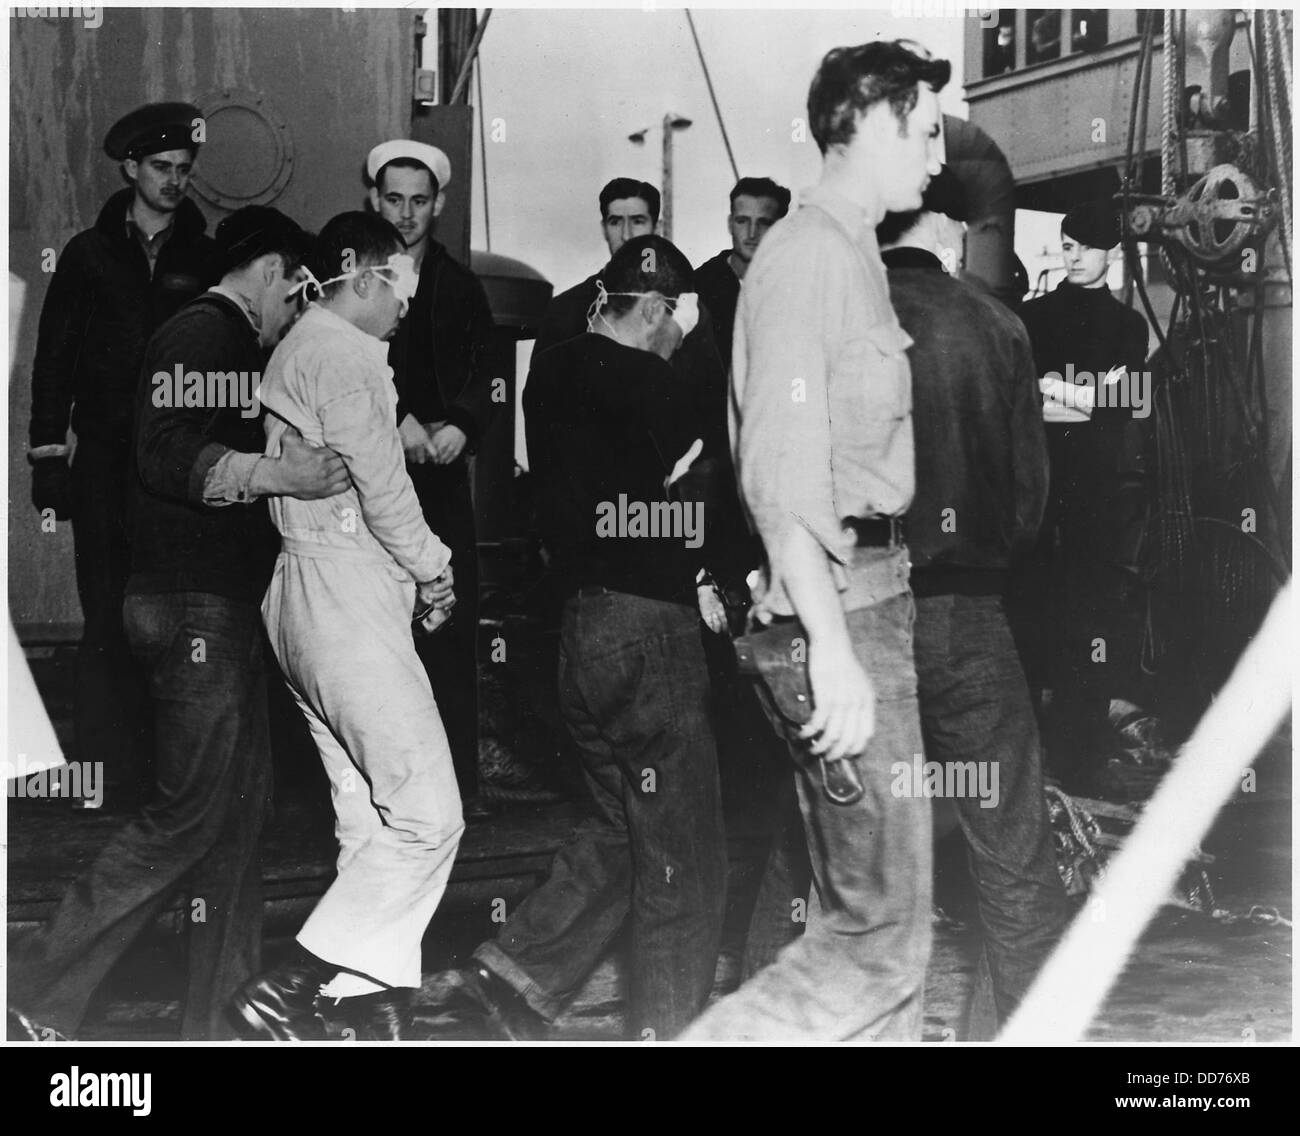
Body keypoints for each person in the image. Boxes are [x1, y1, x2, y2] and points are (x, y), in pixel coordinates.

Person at [7, 207, 347, 1042]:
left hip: (211, 606)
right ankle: (30, 989)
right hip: (193, 608)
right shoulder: (206, 335)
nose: (298, 314)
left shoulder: (221, 343)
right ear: (270, 272)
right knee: (190, 815)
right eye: (299, 294)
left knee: (235, 820)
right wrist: (281, 474)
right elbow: (164, 451)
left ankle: (219, 1022)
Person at [681, 39, 948, 1043]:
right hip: (837, 611)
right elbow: (781, 475)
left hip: (870, 597)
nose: (932, 158)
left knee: (894, 941)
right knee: (872, 937)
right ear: (870, 119)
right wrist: (832, 645)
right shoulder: (806, 258)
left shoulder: (849, 255)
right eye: (922, 132)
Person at [428, 235, 728, 1041]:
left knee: (619, 827)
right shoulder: (661, 381)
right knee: (685, 862)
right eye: (674, 318)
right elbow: (703, 489)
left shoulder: (553, 369)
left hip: (581, 630)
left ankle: (504, 982)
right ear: (661, 310)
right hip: (649, 632)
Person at [230, 213, 463, 1041]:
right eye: (400, 282)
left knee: (371, 820)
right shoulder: (343, 353)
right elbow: (384, 486)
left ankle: (359, 1011)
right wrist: (435, 568)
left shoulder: (302, 346)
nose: (408, 299)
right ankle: (294, 983)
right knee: (430, 816)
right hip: (344, 596)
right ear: (360, 273)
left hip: (301, 595)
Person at [878, 170, 1070, 1027]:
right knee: (1012, 850)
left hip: (857, 609)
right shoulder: (998, 324)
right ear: (949, 234)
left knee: (821, 850)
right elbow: (1029, 497)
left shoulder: (831, 314)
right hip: (967, 613)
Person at [26, 101, 218, 804]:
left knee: (169, 617)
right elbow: (55, 360)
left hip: (176, 467)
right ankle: (103, 779)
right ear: (131, 168)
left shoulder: (208, 255)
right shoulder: (88, 254)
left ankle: (172, 777)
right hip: (105, 464)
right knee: (107, 615)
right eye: (162, 168)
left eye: (184, 170)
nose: (174, 181)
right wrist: (50, 457)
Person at [367, 139, 505, 812]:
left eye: (419, 201)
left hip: (442, 488)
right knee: (378, 635)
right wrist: (396, 420)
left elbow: (491, 372)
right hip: (367, 484)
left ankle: (459, 791)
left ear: (440, 205)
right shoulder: (355, 274)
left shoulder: (461, 286)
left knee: (450, 625)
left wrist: (462, 425)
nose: (405, 213)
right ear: (374, 200)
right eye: (393, 198)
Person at [1013, 201, 1151, 795]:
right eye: (1065, 246)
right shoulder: (1033, 317)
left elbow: (1124, 404)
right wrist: (1086, 396)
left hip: (1093, 493)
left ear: (1110, 254)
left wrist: (1058, 390)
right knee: (1033, 608)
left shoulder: (1128, 326)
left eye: (1082, 247)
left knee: (1091, 616)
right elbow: (1027, 402)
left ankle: (1080, 753)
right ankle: (1031, 755)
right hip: (1043, 486)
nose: (1071, 256)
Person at [534, 178, 728, 454]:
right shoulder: (566, 309)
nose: (626, 234)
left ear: (656, 228)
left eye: (637, 221)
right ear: (604, 228)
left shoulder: (689, 310)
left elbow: (711, 404)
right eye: (615, 222)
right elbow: (544, 415)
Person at [694, 177, 792, 373]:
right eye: (742, 221)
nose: (752, 233)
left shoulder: (793, 286)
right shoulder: (700, 286)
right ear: (730, 224)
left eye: (763, 223)